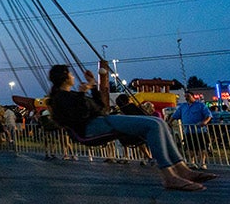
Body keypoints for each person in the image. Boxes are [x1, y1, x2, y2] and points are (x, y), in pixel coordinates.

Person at [48, 64, 215, 191]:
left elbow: (101, 108)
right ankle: (169, 176)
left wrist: (92, 87)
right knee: (152, 125)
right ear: (64, 77)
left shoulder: (72, 95)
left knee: (159, 122)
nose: (73, 76)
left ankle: (183, 169)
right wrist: (83, 93)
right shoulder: (61, 98)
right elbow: (81, 115)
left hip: (102, 120)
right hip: (91, 129)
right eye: (70, 73)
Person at [169, 91, 213, 169]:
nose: (186, 98)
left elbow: (208, 115)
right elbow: (175, 115)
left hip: (200, 130)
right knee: (189, 147)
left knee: (202, 147)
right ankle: (191, 162)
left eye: (188, 96)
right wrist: (169, 122)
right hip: (187, 131)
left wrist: (205, 122)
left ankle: (202, 163)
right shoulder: (183, 106)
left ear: (193, 96)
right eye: (185, 96)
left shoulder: (200, 105)